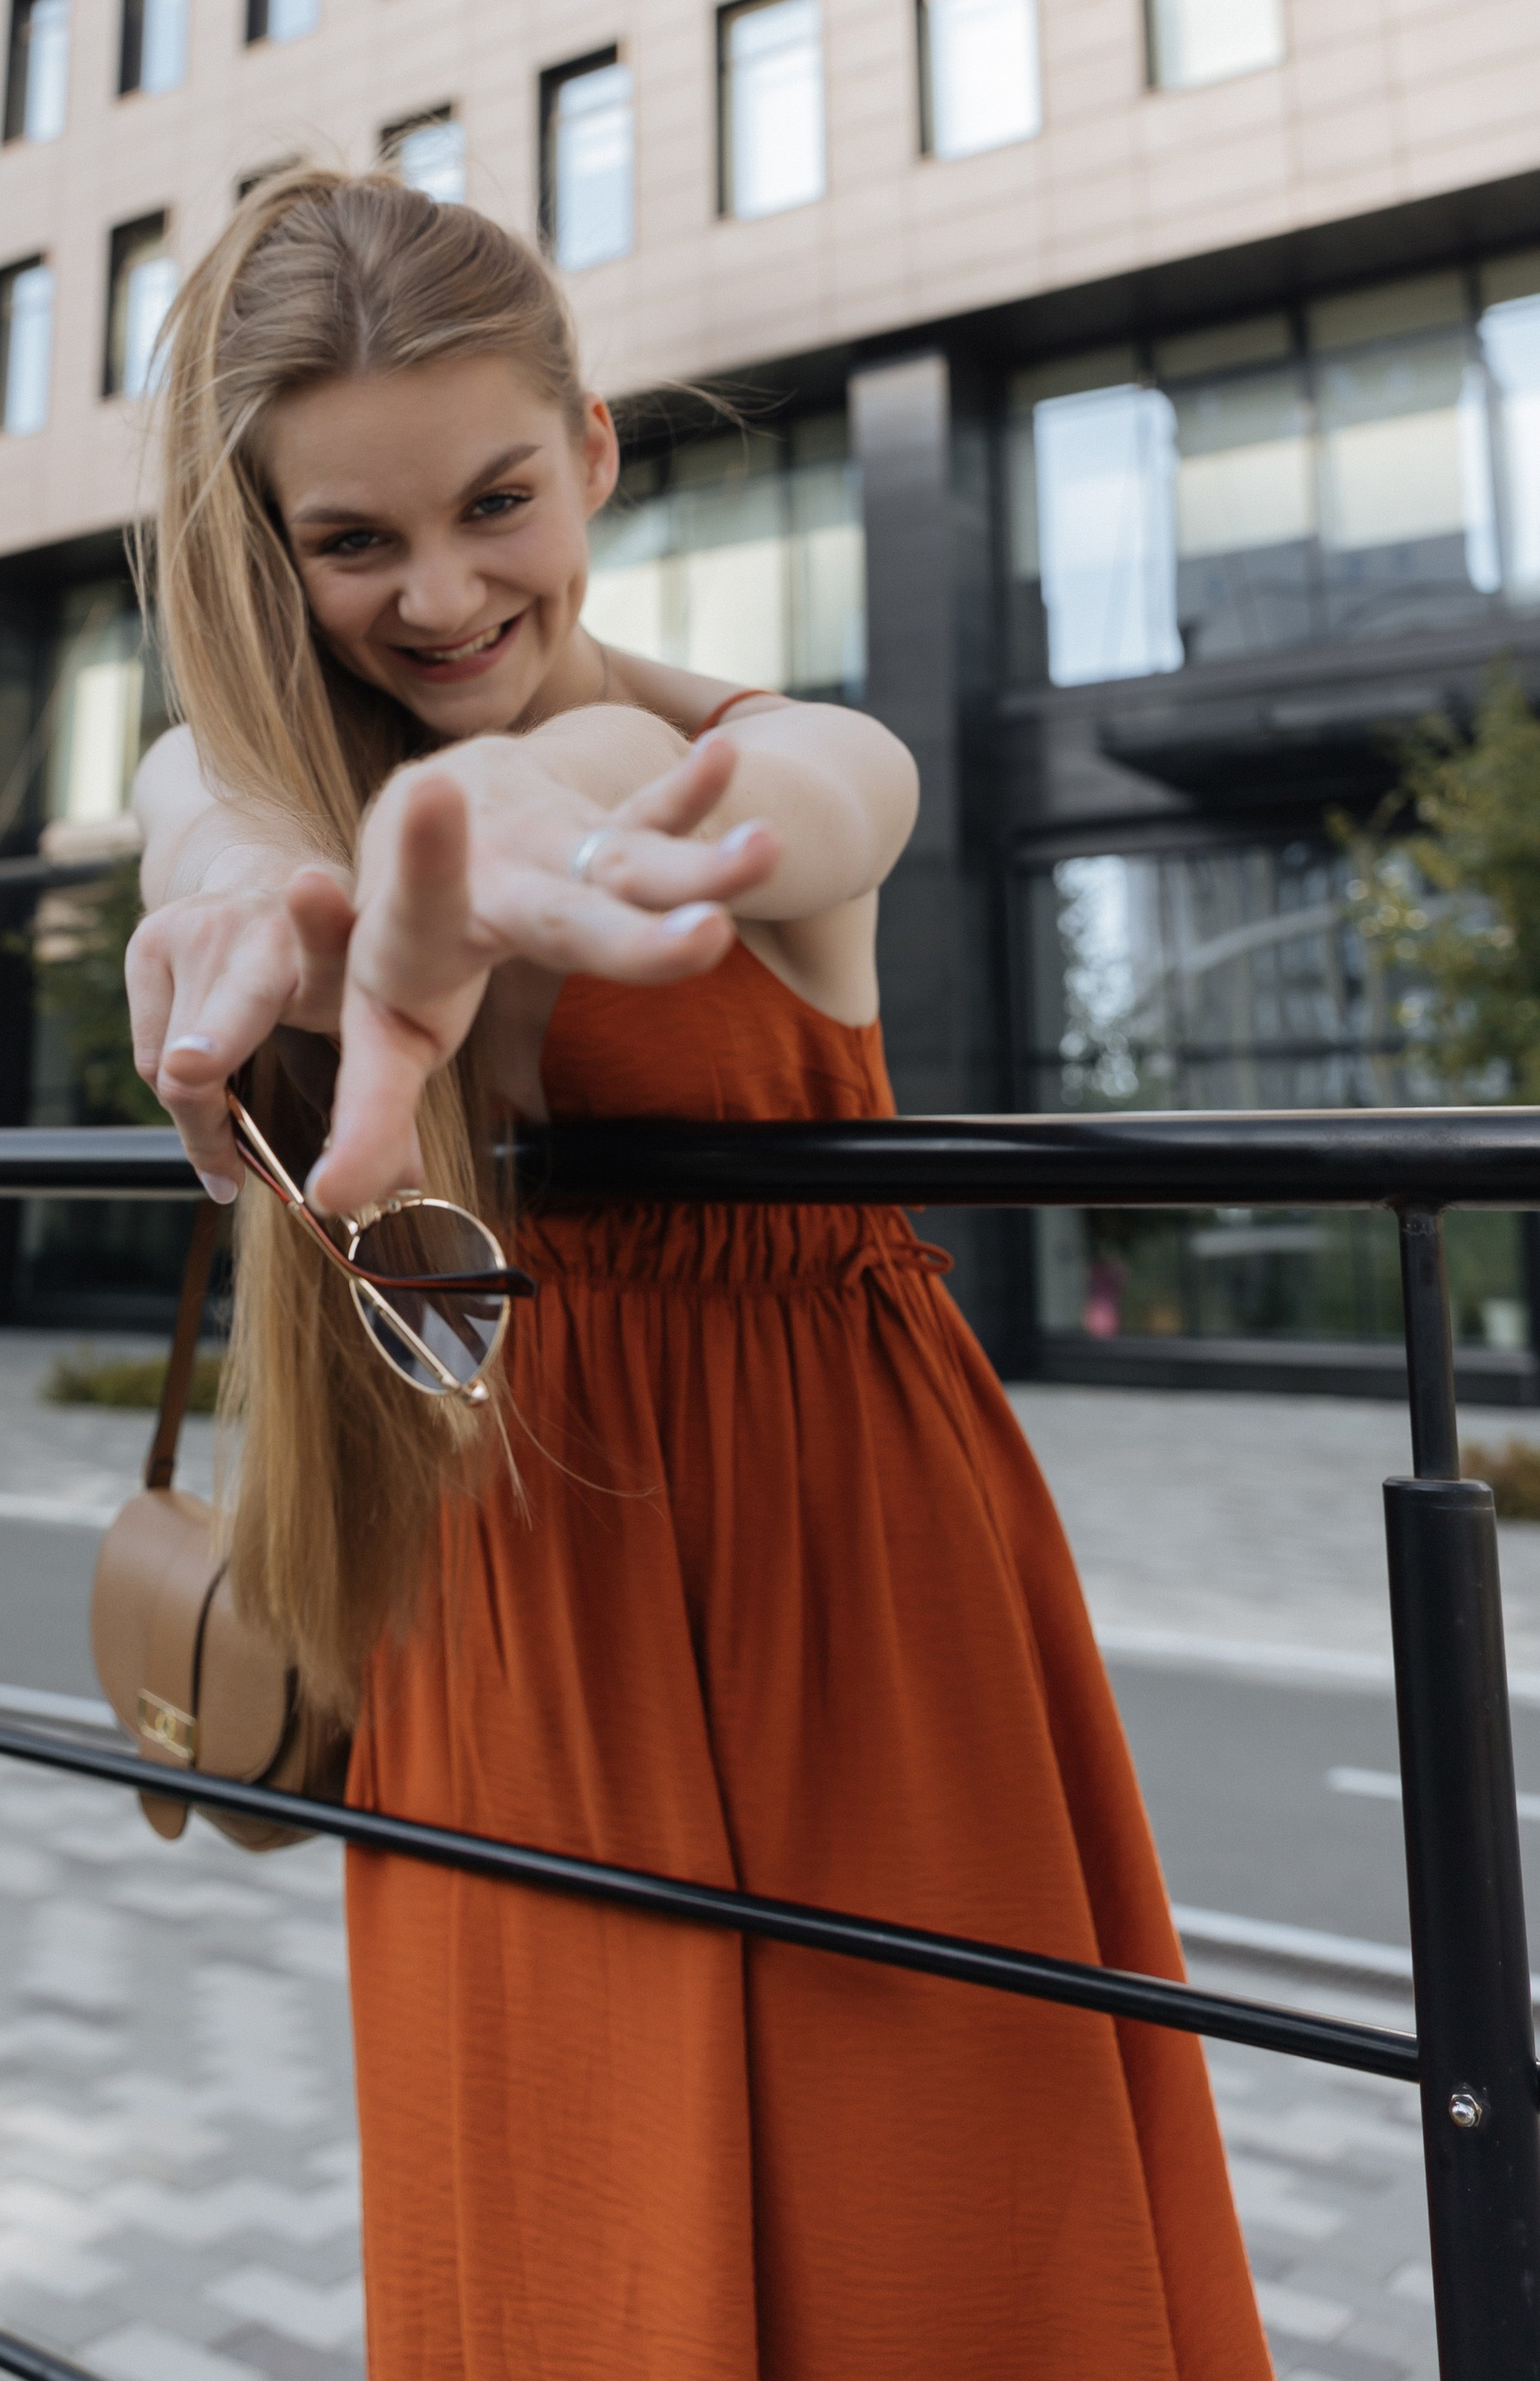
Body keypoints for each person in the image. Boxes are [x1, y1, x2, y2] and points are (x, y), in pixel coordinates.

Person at [126, 169, 1266, 2381]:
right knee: (566, 2243)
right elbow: (201, 798)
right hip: (492, 1580)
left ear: (598, 455)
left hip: (844, 1587)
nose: (443, 593)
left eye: (495, 500)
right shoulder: (271, 801)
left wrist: (585, 813)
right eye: (351, 543)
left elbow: (809, 789)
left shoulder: (743, 745)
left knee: (928, 2220)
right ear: (262, 560)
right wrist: (261, 864)